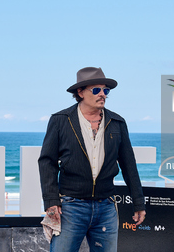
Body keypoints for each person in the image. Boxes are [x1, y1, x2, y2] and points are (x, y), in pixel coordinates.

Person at [38, 67, 146, 252]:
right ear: (80, 92)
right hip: (71, 207)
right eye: (96, 90)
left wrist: (138, 202)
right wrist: (51, 202)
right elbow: (47, 162)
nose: (102, 94)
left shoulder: (117, 123)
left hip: (106, 207)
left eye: (106, 90)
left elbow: (129, 165)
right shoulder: (61, 120)